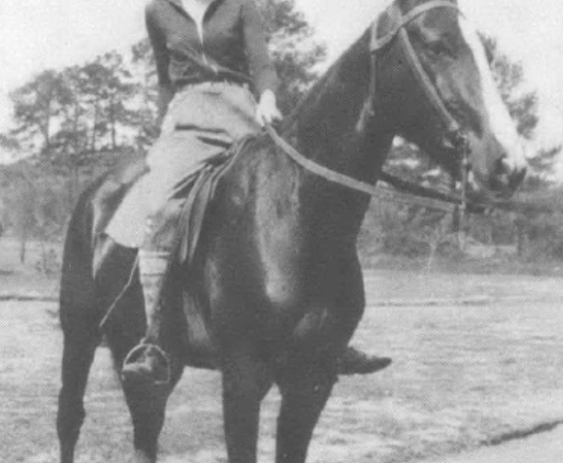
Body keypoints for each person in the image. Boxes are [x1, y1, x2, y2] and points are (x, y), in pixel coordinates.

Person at [96, 0, 391, 385]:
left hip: (241, 112)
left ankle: (328, 335)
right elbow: (164, 78)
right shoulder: (158, 11)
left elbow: (261, 63)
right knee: (162, 206)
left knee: (291, 198)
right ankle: (156, 342)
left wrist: (267, 97)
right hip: (188, 117)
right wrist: (164, 120)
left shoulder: (238, 5)